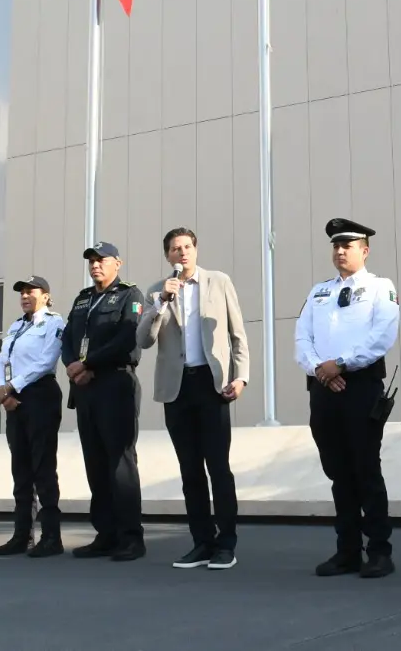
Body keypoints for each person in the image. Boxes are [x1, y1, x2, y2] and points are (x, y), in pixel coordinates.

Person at [295, 218, 401, 579]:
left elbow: (382, 336)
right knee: (338, 472)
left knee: (366, 469)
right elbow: (302, 337)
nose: (340, 252)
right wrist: (320, 370)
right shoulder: (318, 291)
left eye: (348, 246)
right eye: (336, 246)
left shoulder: (379, 288)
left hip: (359, 388)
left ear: (365, 251)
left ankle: (380, 551)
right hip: (324, 389)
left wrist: (340, 364)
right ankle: (347, 550)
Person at [139, 227, 250, 571]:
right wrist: (159, 303)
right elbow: (143, 339)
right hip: (177, 387)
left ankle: (225, 543)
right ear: (168, 256)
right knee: (190, 470)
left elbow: (236, 333)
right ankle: (201, 542)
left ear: (195, 250)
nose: (182, 253)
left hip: (211, 383)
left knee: (218, 466)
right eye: (175, 249)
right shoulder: (157, 291)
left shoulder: (218, 281)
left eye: (187, 246)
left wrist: (241, 375)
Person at [62, 240, 148, 561]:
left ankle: (131, 537)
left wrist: (88, 364)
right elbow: (68, 338)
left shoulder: (130, 295)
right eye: (92, 261)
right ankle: (106, 533)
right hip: (84, 387)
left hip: (115, 382)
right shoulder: (83, 299)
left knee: (120, 462)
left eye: (102, 260)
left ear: (117, 264)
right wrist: (73, 366)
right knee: (95, 462)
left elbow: (128, 337)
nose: (95, 265)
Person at [0, 275, 66, 558]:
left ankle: (51, 536)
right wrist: (2, 391)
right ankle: (22, 534)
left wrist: (12, 386)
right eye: (22, 293)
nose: (25, 296)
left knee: (43, 467)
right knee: (21, 469)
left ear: (46, 296)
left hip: (40, 395)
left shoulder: (54, 323)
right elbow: (2, 360)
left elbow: (46, 361)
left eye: (31, 291)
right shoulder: (16, 325)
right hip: (15, 400)